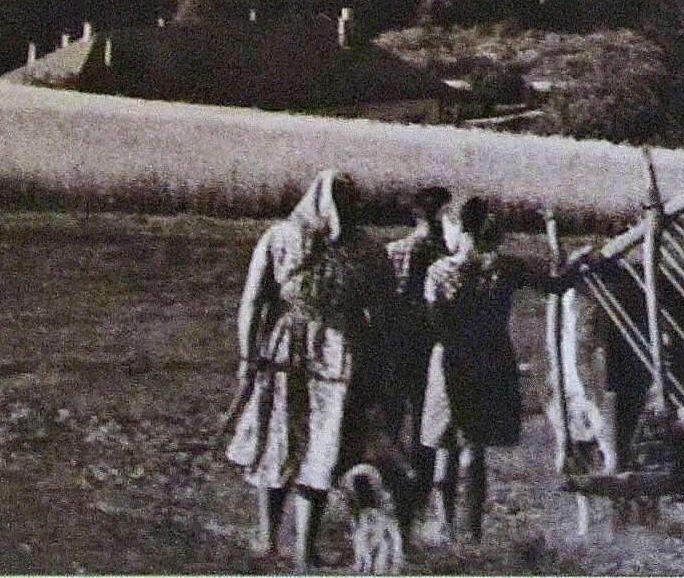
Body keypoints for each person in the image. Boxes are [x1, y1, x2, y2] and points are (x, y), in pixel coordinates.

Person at [225, 170, 393, 569]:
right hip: (295, 353)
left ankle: (299, 547)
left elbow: (385, 307)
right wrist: (249, 357)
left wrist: (374, 360)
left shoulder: (364, 248)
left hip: (334, 354)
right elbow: (253, 301)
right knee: (285, 439)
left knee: (320, 443)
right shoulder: (284, 238)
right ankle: (273, 541)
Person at [419, 196, 562, 546]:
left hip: (451, 361)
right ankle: (473, 530)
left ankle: (445, 525)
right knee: (475, 447)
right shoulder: (505, 267)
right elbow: (553, 284)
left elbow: (433, 323)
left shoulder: (440, 272)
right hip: (492, 361)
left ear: (459, 227)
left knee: (444, 446)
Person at [383, 187, 452, 450]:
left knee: (396, 408)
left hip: (399, 336)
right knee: (425, 408)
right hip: (431, 336)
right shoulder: (447, 254)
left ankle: (397, 467)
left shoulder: (395, 250)